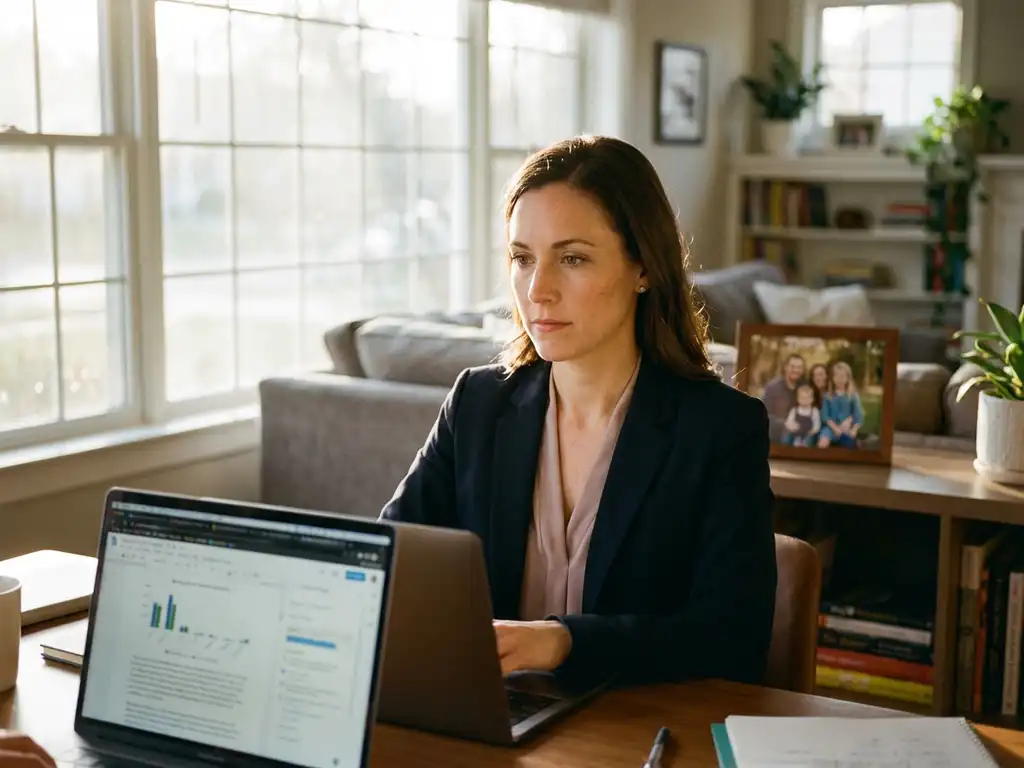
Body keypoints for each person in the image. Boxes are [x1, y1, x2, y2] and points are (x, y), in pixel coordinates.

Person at [380, 135, 777, 687]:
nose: (538, 290)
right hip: (492, 716)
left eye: (572, 258)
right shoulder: (476, 404)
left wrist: (564, 642)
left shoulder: (720, 429)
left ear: (644, 267)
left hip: (636, 723)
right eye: (523, 258)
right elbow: (388, 563)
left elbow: (733, 640)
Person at [817, 361, 864, 449]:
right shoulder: (828, 396)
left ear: (848, 378)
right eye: (837, 376)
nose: (840, 379)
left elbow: (858, 415)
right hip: (831, 428)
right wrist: (835, 429)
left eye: (842, 376)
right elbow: (825, 416)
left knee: (850, 445)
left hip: (847, 428)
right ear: (833, 378)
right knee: (822, 442)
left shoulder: (852, 395)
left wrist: (854, 430)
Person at [761, 354, 805, 444]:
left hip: (799, 436)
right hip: (777, 437)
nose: (796, 370)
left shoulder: (804, 387)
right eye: (793, 366)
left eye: (799, 367)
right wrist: (784, 423)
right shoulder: (772, 387)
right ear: (785, 367)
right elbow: (765, 414)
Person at [782, 383, 821, 447]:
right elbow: (788, 421)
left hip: (808, 433)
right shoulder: (794, 410)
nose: (805, 400)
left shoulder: (814, 411)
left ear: (812, 399)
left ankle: (803, 446)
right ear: (798, 399)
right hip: (796, 432)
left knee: (809, 440)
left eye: (808, 398)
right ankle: (787, 448)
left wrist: (814, 430)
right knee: (787, 438)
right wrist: (792, 426)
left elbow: (817, 423)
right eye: (802, 398)